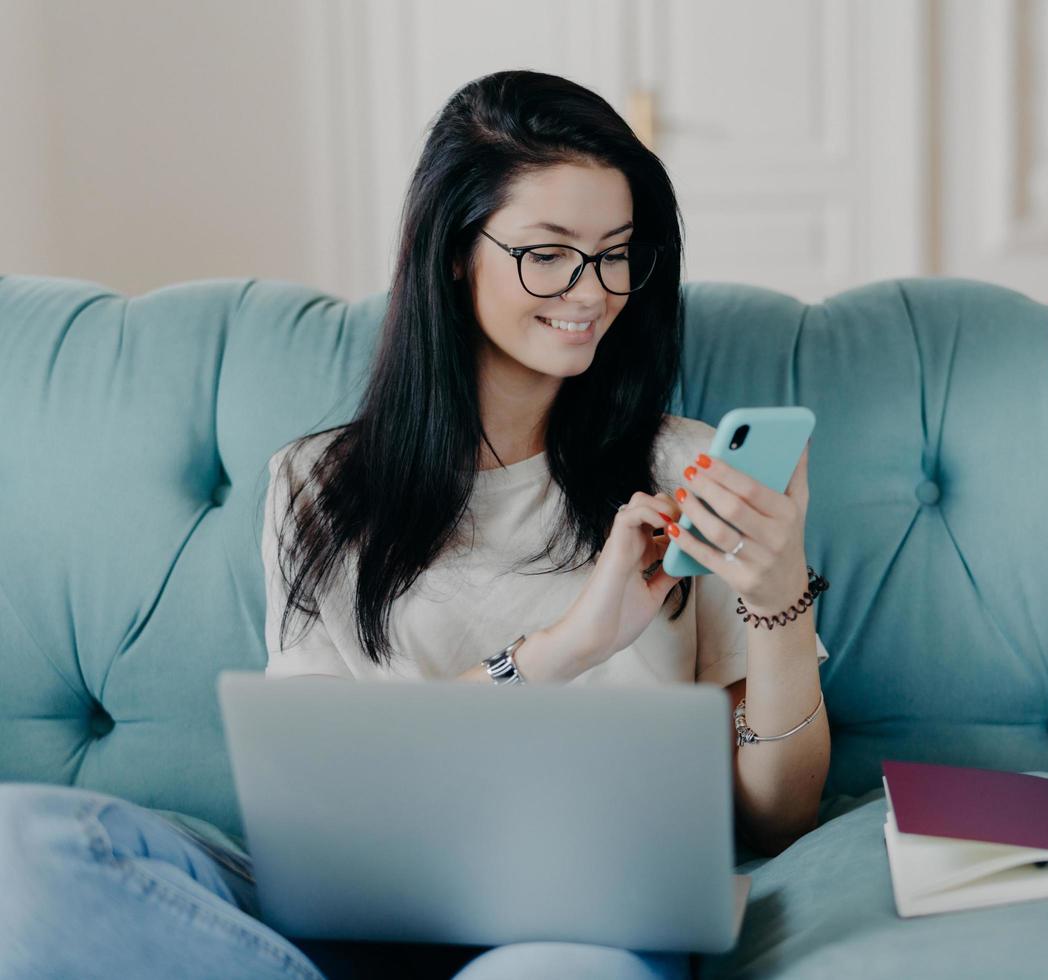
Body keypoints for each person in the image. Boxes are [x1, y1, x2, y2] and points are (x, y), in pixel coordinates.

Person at [0, 70, 830, 980]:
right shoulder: (318, 485)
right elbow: (329, 797)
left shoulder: (689, 472)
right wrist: (564, 649)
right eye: (548, 253)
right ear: (451, 252)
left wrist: (779, 597)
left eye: (617, 252)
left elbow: (776, 816)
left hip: (580, 924)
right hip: (354, 916)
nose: (592, 292)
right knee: (22, 849)